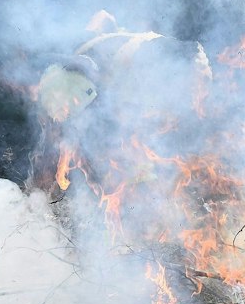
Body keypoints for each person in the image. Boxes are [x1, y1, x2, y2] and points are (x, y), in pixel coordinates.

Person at [30, 12, 213, 194]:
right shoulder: (85, 82)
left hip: (118, 82)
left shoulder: (151, 72)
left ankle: (138, 190)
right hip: (88, 85)